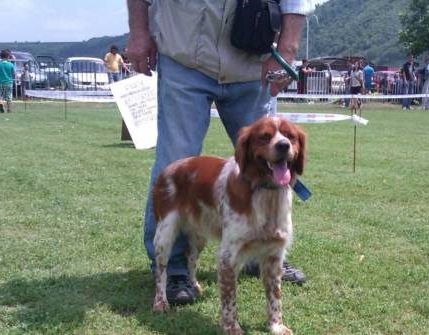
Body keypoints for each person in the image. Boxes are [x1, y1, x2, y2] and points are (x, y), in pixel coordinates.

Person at [126, 0, 308, 306]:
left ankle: (262, 252)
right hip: (184, 55)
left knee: (270, 165)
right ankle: (173, 268)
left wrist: (287, 50)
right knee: (175, 163)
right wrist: (139, 33)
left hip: (253, 61)